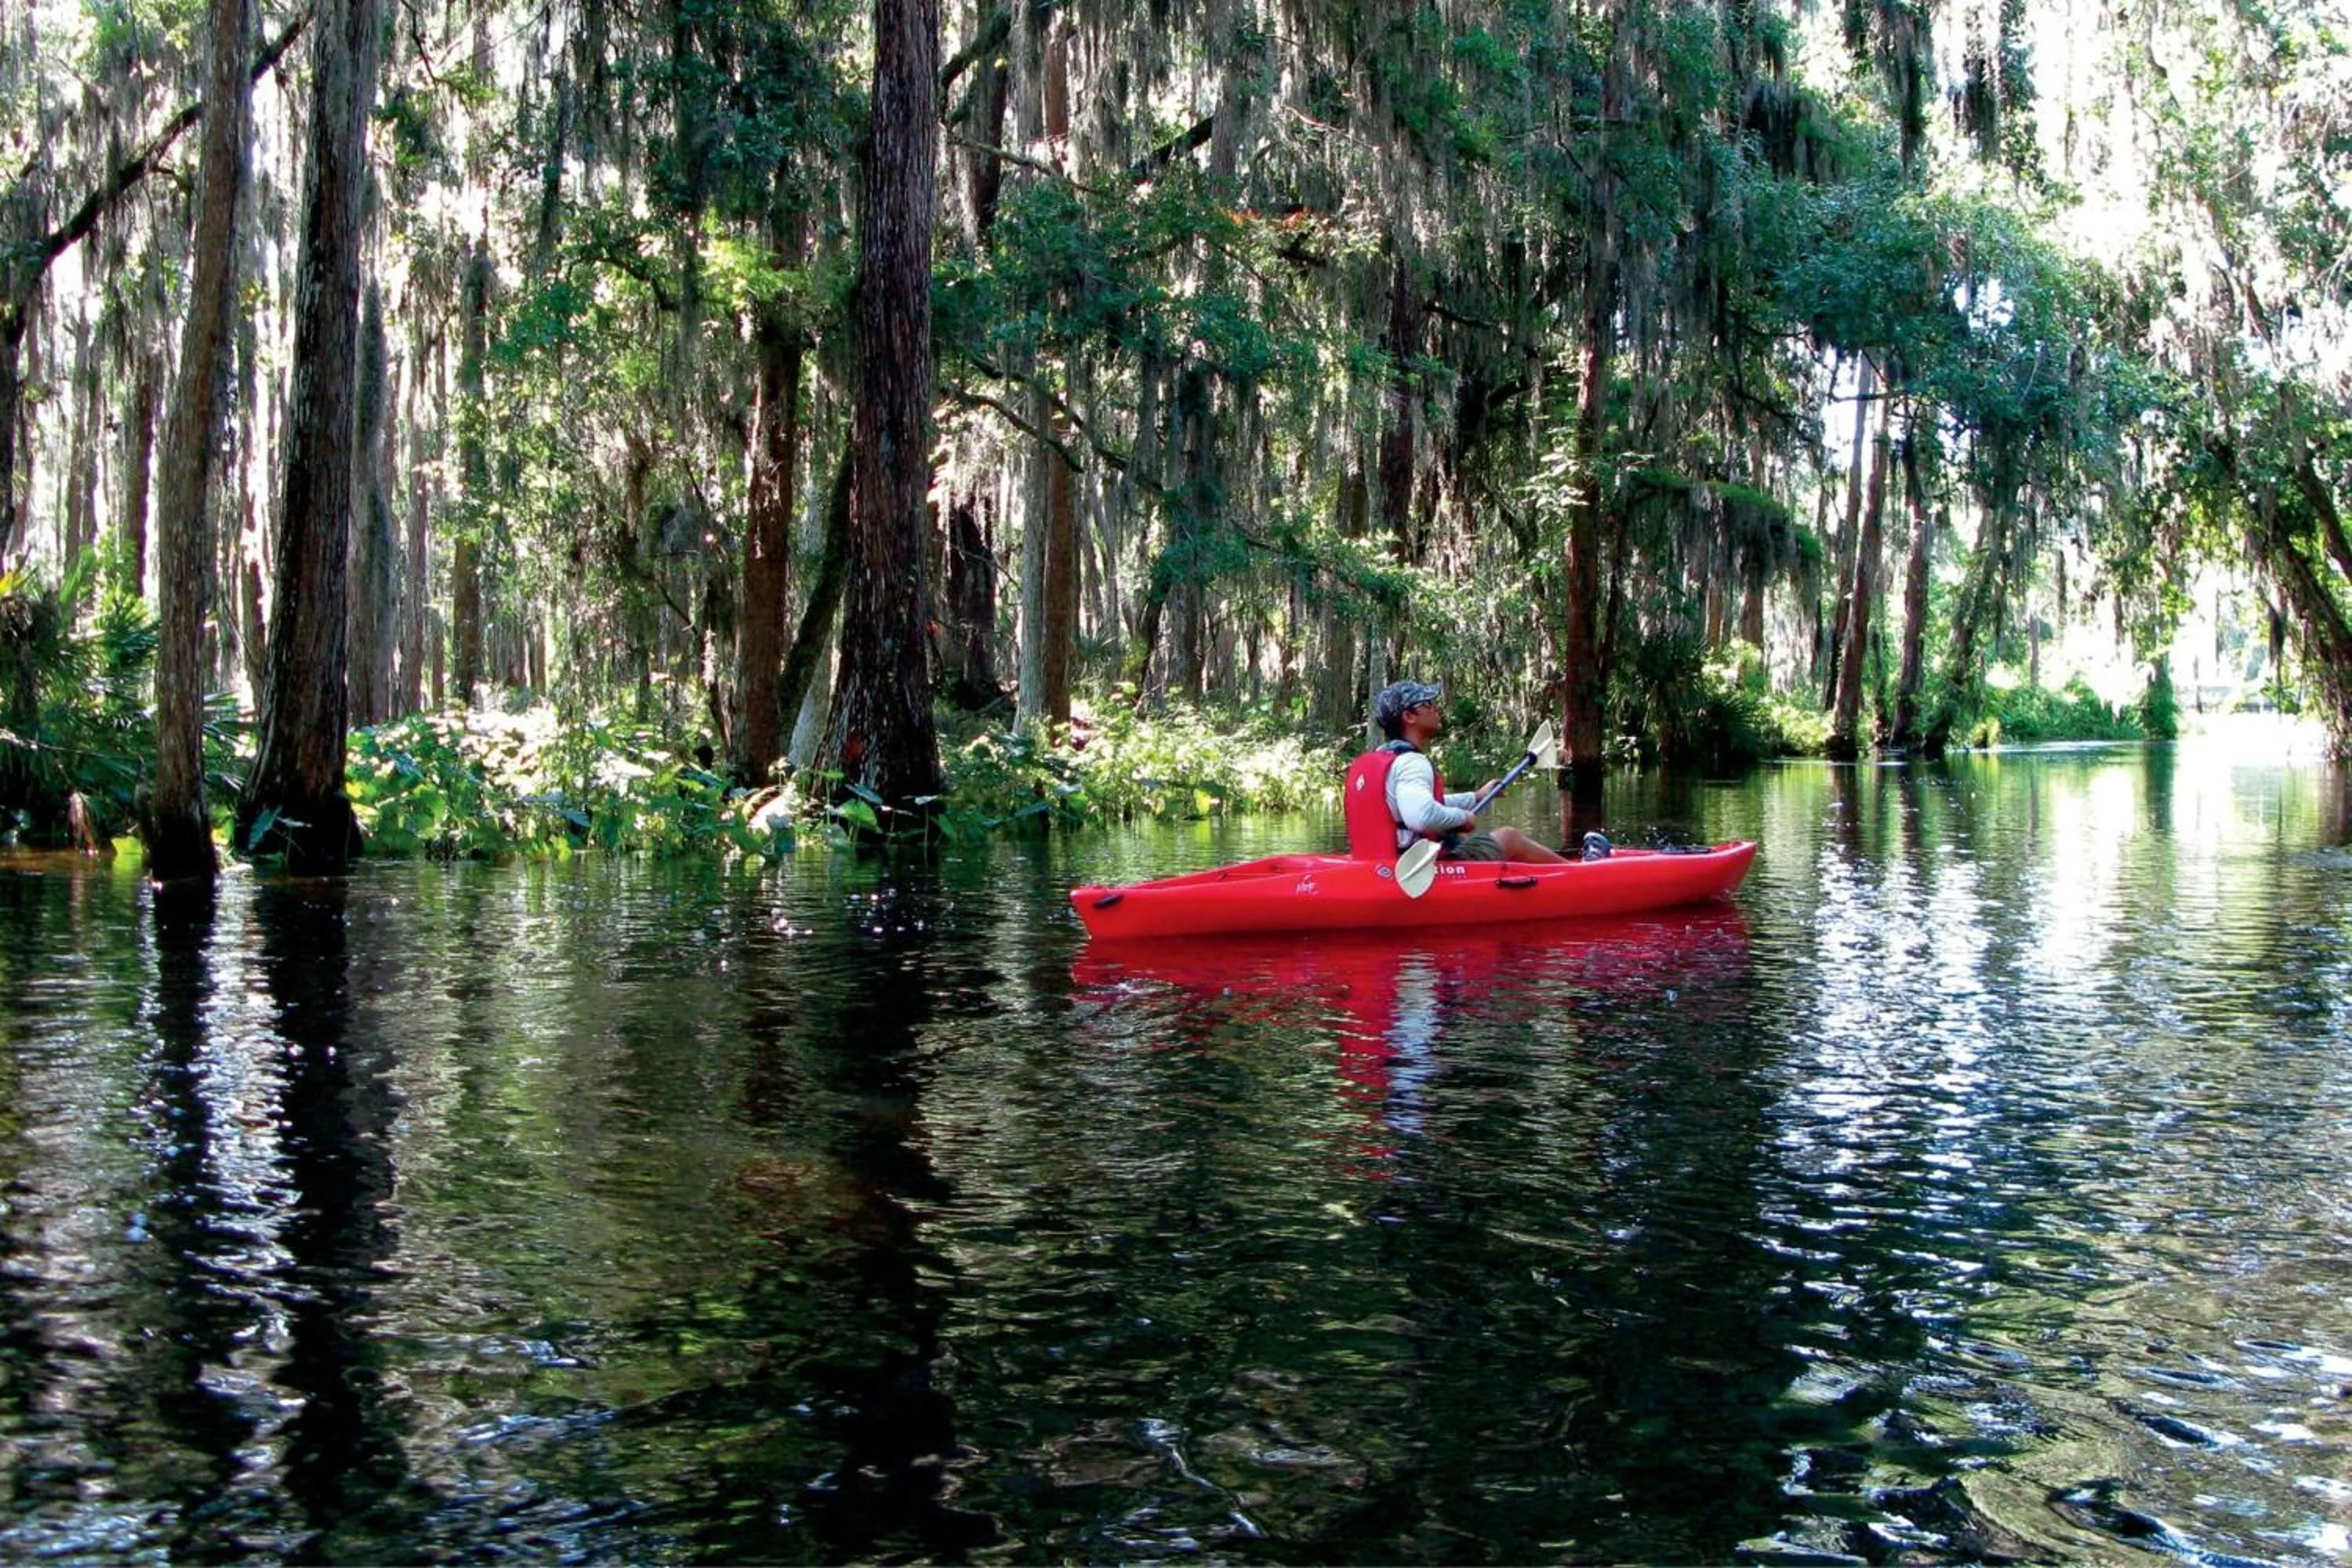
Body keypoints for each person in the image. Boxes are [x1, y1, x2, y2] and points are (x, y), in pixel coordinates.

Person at [1343, 681, 1566, 864]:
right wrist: (1463, 819)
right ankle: (1576, 874)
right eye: (1428, 704)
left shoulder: (1387, 759)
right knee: (1509, 838)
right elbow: (1421, 817)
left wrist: (1476, 797)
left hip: (1384, 864)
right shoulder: (1412, 763)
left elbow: (1417, 805)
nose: (1436, 709)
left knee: (1475, 841)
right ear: (1409, 716)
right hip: (1413, 870)